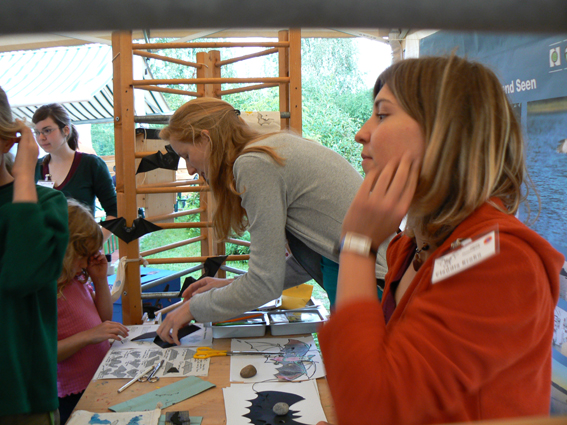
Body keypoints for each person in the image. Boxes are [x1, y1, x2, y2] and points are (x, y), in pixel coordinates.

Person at [317, 55, 565, 425]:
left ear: (445, 132)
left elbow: (372, 411)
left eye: (382, 115)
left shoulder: (502, 260)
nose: (362, 133)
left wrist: (357, 245)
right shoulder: (413, 245)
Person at [156, 97, 390, 344]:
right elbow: (302, 262)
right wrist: (231, 285)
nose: (190, 169)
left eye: (187, 155)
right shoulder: (269, 147)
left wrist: (192, 308)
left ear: (206, 139)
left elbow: (263, 284)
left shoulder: (254, 163)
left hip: (368, 285)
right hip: (362, 275)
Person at [0, 87, 69, 425]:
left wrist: (25, 178)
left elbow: (21, 276)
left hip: (20, 399)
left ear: (6, 139)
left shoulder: (46, 205)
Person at [56, 200, 129, 424]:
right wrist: (88, 336)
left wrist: (99, 279)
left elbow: (103, 319)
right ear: (65, 250)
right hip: (72, 393)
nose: (85, 263)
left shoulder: (76, 278)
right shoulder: (46, 289)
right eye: (82, 255)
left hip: (97, 377)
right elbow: (45, 353)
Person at [32, 104, 117, 241]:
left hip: (81, 250)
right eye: (37, 132)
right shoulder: (35, 167)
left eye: (47, 130)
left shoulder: (91, 165)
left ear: (66, 130)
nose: (41, 137)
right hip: (45, 251)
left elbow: (114, 211)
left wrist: (97, 243)